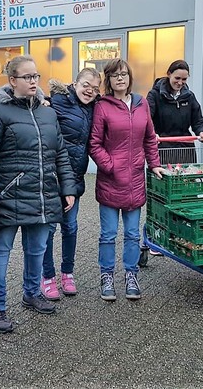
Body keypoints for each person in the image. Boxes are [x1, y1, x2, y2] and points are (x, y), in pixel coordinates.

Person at [0, 55, 77, 333]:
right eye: (28, 77)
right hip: (6, 197)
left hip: (42, 194)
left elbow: (60, 153)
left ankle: (31, 293)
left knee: (37, 250)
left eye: (36, 76)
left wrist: (67, 187)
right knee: (0, 253)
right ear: (12, 81)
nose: (34, 81)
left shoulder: (48, 113)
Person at [89, 58, 164, 301]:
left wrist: (154, 165)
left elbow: (150, 138)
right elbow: (94, 143)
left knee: (132, 234)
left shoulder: (142, 104)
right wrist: (110, 166)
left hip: (135, 181)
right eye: (115, 75)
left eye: (124, 74)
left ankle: (131, 274)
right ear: (109, 80)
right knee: (108, 234)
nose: (120, 78)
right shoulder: (103, 106)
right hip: (111, 181)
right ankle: (107, 275)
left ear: (130, 78)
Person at [40, 68, 101, 300]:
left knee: (71, 227)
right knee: (50, 229)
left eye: (95, 89)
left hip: (75, 177)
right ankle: (47, 276)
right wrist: (42, 101)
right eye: (86, 84)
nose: (90, 91)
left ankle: (67, 273)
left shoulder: (95, 106)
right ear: (75, 82)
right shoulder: (57, 101)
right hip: (53, 177)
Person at [144, 59, 203, 257]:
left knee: (186, 192)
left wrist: (202, 131)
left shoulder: (189, 97)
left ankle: (182, 235)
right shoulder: (155, 95)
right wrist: (152, 134)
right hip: (163, 148)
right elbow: (147, 119)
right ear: (168, 74)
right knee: (162, 195)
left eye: (184, 79)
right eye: (177, 78)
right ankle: (159, 236)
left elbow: (197, 121)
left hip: (185, 148)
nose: (180, 82)